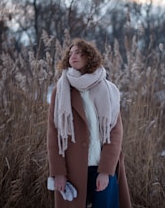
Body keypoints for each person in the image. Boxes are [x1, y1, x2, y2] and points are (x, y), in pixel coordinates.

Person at [47, 38, 131, 208]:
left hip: (103, 166)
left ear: (89, 56)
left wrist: (106, 171)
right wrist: (59, 173)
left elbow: (115, 134)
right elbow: (53, 134)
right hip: (73, 170)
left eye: (78, 52)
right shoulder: (62, 90)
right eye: (70, 53)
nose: (73, 56)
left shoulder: (108, 89)